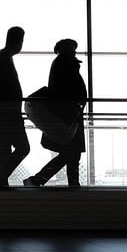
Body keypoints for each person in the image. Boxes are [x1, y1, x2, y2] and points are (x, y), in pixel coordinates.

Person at [24, 38, 87, 187]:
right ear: (65, 49)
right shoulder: (66, 63)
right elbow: (68, 90)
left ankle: (67, 183)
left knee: (72, 153)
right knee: (72, 153)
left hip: (68, 114)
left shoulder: (61, 63)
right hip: (68, 115)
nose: (74, 51)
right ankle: (39, 180)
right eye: (72, 48)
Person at [0, 26, 30, 188]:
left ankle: (0, 180)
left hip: (1, 112)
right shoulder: (3, 59)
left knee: (3, 149)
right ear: (18, 41)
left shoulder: (1, 58)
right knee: (23, 147)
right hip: (7, 112)